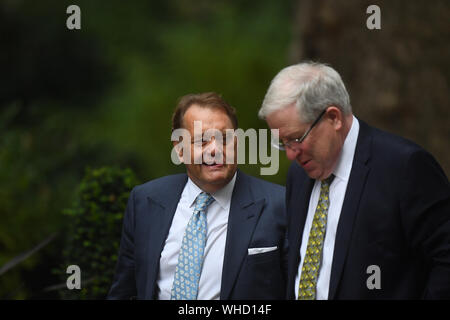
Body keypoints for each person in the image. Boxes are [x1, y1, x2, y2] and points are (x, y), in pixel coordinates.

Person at [258, 62, 450, 299]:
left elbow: (444, 259)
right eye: (283, 143)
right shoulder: (299, 175)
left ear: (333, 118)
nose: (290, 154)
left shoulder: (403, 167)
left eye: (297, 138)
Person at [108, 92, 287, 300]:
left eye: (225, 138)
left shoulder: (279, 205)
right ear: (180, 150)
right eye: (202, 141)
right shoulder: (146, 201)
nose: (215, 149)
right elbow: (124, 291)